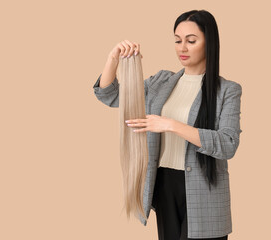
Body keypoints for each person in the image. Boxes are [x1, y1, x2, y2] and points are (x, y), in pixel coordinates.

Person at [92, 10, 242, 240]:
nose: (182, 47)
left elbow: (227, 144)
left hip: (205, 190)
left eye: (191, 41)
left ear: (209, 42)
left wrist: (171, 125)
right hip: (164, 185)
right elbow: (111, 96)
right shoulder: (161, 81)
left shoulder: (227, 90)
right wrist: (113, 58)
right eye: (177, 40)